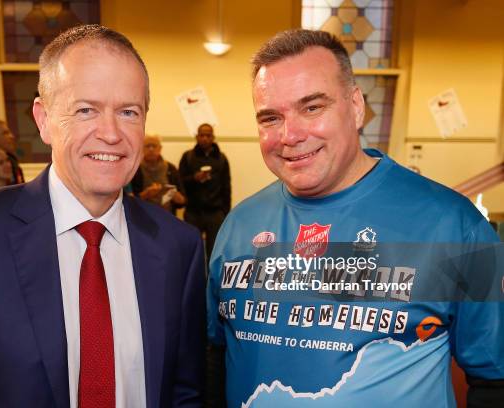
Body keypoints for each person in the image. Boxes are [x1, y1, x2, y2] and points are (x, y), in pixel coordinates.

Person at [0, 25, 205, 407]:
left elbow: (184, 391)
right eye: (86, 110)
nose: (110, 133)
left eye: (128, 112)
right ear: (43, 119)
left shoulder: (179, 246)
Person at [207, 29, 504, 407]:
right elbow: (215, 357)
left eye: (312, 107)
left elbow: (495, 380)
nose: (290, 134)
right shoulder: (238, 225)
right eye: (269, 118)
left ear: (356, 106)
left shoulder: (457, 224)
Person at [179, 123, 231, 260]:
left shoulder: (221, 158)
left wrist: (225, 213)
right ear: (197, 137)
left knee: (215, 253)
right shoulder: (188, 157)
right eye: (202, 135)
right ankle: (194, 281)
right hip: (193, 212)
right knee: (191, 252)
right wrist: (194, 178)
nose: (205, 138)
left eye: (208, 135)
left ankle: (212, 281)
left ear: (213, 137)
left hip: (215, 213)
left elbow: (226, 187)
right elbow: (180, 182)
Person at [131, 134, 186, 215]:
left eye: (154, 146)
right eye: (147, 146)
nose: (151, 149)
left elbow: (182, 201)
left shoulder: (171, 168)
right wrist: (145, 195)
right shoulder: (135, 169)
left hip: (168, 217)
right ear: (141, 148)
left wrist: (177, 197)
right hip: (142, 217)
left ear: (160, 148)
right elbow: (128, 201)